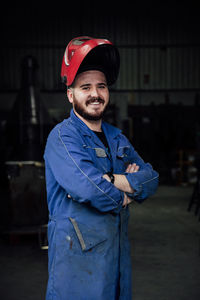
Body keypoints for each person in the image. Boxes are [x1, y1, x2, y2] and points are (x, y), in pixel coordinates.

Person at [44, 36, 159, 300]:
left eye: (101, 86)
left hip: (115, 260)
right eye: (86, 87)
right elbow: (91, 188)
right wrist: (127, 193)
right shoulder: (63, 137)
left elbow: (151, 177)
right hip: (77, 265)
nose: (95, 94)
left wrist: (109, 178)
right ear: (70, 94)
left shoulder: (117, 137)